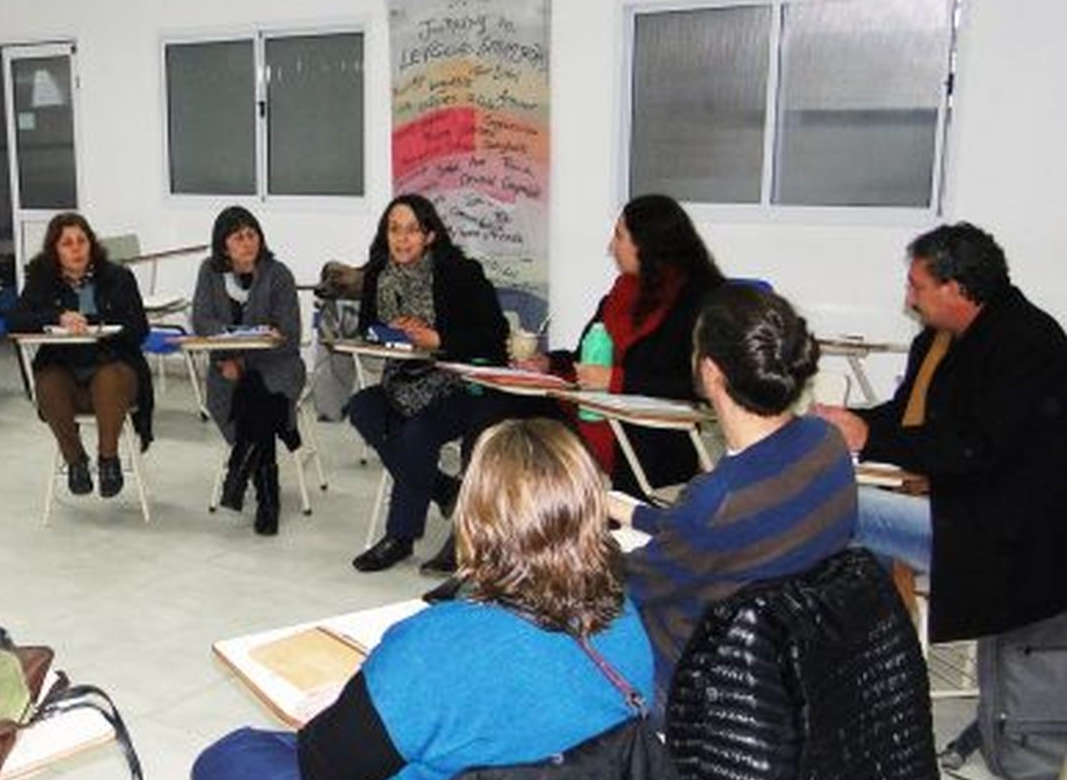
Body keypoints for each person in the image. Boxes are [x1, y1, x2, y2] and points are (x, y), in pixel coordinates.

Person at [193, 417, 654, 780]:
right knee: (403, 762)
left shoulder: (433, 647)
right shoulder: (627, 626)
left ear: (477, 517)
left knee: (233, 760)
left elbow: (325, 774)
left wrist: (355, 698)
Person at [816, 222, 1067, 645]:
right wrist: (845, 422)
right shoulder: (939, 340)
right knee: (841, 518)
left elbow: (972, 448)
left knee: (836, 507)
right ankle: (882, 647)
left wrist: (869, 439)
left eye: (917, 287)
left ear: (956, 289)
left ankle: (882, 650)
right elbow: (905, 419)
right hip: (954, 508)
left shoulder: (1027, 342)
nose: (909, 300)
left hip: (999, 531)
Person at [613, 284, 855, 716]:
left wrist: (571, 536)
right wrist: (628, 511)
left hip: (696, 684)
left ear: (710, 371)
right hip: (789, 671)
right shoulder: (826, 443)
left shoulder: (717, 499)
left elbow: (627, 584)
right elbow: (710, 536)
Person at [518, 193, 724, 497]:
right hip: (600, 410)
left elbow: (698, 385)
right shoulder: (623, 290)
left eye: (619, 236)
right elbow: (585, 357)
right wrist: (548, 363)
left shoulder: (702, 299)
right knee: (510, 411)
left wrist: (617, 380)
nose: (611, 247)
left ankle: (596, 515)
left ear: (647, 243)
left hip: (654, 431)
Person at [347, 193, 508, 573]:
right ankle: (444, 489)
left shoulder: (460, 273)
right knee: (362, 407)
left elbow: (494, 334)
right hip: (402, 381)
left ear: (430, 235)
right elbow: (368, 327)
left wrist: (438, 338)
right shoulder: (379, 274)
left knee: (414, 433)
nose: (401, 239)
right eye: (394, 229)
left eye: (412, 230)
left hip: (458, 385)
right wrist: (391, 330)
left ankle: (400, 536)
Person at [7, 212, 153, 498]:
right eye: (67, 243)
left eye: (81, 241)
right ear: (54, 250)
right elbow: (14, 321)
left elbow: (139, 329)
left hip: (115, 368)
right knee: (47, 382)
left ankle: (108, 459)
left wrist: (100, 326)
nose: (76, 249)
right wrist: (57, 317)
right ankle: (75, 460)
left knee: (109, 377)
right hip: (66, 371)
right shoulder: (41, 279)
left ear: (91, 243)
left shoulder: (118, 277)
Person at [190, 206, 305, 536]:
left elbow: (289, 334)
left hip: (278, 366)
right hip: (226, 368)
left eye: (251, 234)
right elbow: (202, 321)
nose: (247, 242)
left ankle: (246, 479)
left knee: (256, 394)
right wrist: (233, 350)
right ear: (223, 245)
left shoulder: (278, 274)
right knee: (255, 403)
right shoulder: (209, 272)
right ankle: (265, 491)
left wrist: (241, 360)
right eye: (238, 237)